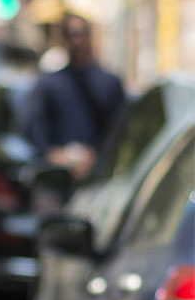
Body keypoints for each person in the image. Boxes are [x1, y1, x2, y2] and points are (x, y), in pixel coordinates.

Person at [25, 13, 126, 180]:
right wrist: (57, 156)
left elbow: (120, 130)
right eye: (70, 34)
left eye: (81, 33)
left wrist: (95, 157)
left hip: (98, 179)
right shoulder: (49, 83)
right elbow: (34, 128)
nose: (76, 40)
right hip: (55, 179)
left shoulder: (109, 83)